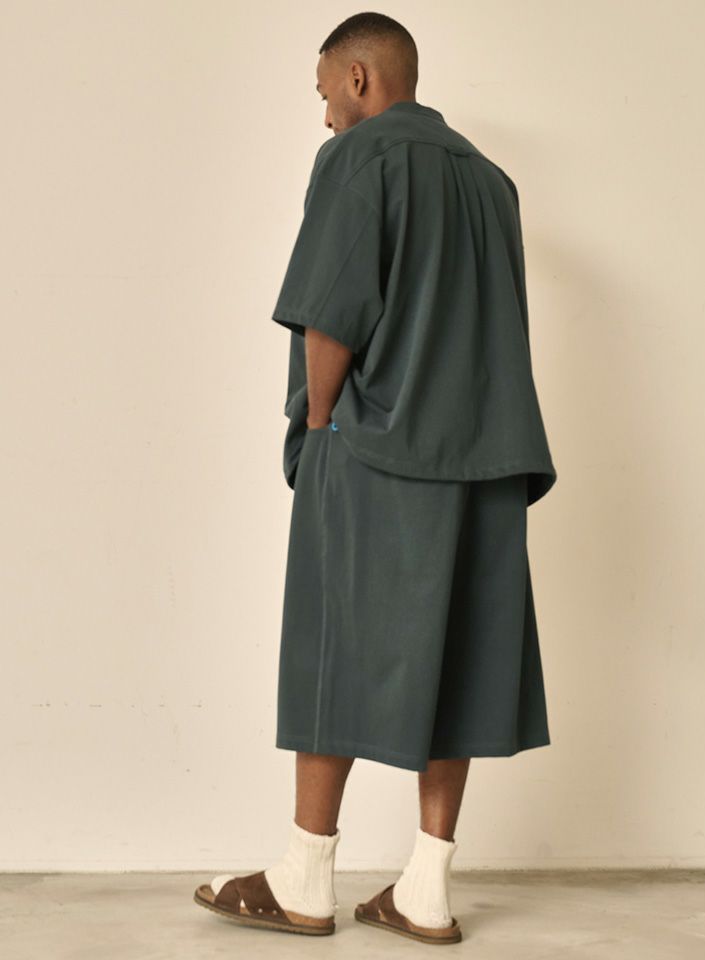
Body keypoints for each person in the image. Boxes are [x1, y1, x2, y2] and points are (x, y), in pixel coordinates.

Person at [194, 11, 557, 946]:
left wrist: (320, 421)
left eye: (325, 93)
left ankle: (305, 877)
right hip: (486, 456)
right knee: (462, 656)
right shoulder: (493, 181)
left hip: (375, 446)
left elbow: (332, 312)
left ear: (358, 78)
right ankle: (426, 890)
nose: (324, 115)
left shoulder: (359, 158)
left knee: (330, 644)